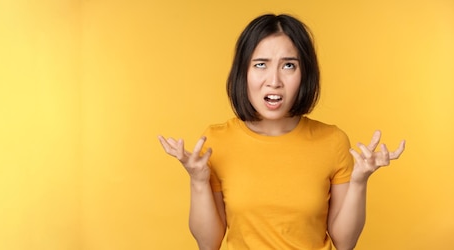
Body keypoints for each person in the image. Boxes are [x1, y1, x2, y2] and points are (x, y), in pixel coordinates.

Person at [158, 13, 406, 250]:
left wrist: (360, 181)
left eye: (288, 65)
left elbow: (345, 243)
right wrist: (198, 182)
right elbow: (208, 244)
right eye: (260, 64)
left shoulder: (333, 141)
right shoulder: (217, 141)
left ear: (304, 74)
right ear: (243, 73)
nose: (274, 80)